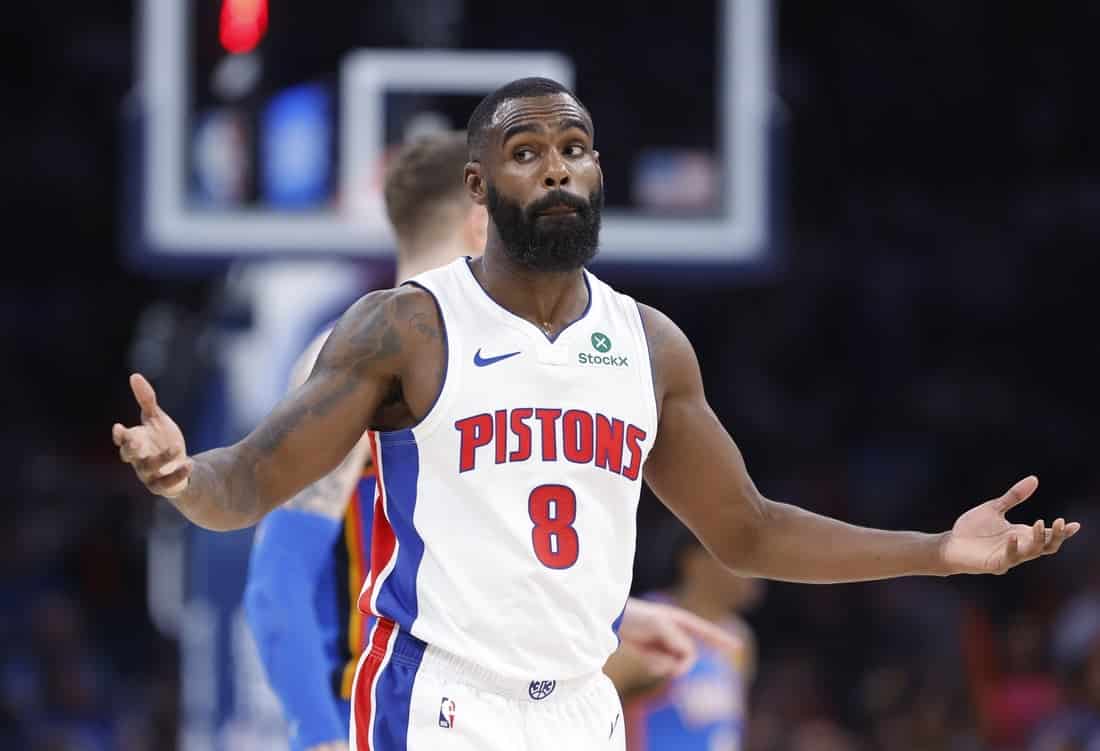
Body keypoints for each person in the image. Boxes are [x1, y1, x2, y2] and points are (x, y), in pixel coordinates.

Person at [113, 77, 1080, 751]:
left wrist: (937, 550)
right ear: (479, 190)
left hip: (581, 705)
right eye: (528, 152)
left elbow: (746, 530)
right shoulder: (406, 327)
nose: (559, 169)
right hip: (437, 701)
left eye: (575, 148)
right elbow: (250, 485)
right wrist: (181, 472)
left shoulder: (649, 344)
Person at [240, 130, 741, 751]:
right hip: (383, 714)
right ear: (483, 221)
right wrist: (317, 734)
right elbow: (279, 574)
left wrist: (617, 617)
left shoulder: (489, 351)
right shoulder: (364, 354)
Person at [625, 523, 762, 750]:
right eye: (741, 556)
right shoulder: (648, 626)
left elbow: (731, 728)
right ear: (694, 562)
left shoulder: (741, 638)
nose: (755, 570)